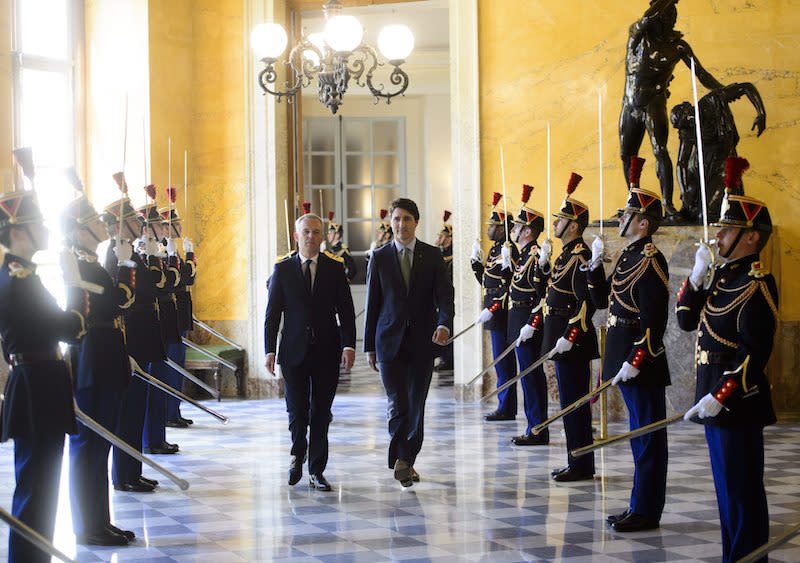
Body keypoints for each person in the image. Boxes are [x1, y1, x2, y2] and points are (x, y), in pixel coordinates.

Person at [676, 157, 777, 563]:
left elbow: (756, 350)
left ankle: (750, 558)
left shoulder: (758, 284)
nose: (718, 237)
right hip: (712, 398)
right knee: (725, 492)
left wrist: (722, 393)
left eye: (728, 229)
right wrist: (697, 275)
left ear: (751, 237)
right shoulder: (721, 276)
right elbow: (685, 320)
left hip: (735, 402)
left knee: (741, 492)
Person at [0, 189, 88, 562]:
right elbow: (62, 326)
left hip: (39, 383)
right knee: (37, 488)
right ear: (19, 231)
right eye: (39, 225)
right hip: (36, 386)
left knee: (40, 487)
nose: (47, 232)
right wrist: (76, 297)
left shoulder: (22, 277)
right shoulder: (19, 280)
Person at [587, 156, 670, 532]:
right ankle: (639, 504)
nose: (619, 219)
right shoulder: (627, 256)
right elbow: (605, 300)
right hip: (624, 357)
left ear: (643, 222)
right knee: (638, 437)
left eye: (626, 214)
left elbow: (655, 318)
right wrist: (593, 268)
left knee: (647, 436)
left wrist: (638, 357)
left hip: (642, 360)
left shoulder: (652, 259)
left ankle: (647, 510)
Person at [62, 191, 137, 546]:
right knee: (88, 445)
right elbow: (118, 301)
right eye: (93, 221)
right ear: (79, 231)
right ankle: (87, 526)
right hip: (92, 357)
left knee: (101, 445)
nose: (101, 225)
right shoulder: (80, 265)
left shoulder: (91, 261)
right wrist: (124, 266)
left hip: (107, 354)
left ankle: (99, 521)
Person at [364, 198, 454, 487]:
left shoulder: (432, 255)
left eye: (407, 219)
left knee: (416, 404)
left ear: (416, 222)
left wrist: (443, 323)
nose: (401, 224)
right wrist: (368, 347)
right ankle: (403, 458)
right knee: (397, 403)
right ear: (391, 222)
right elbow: (372, 304)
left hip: (421, 342)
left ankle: (406, 459)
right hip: (388, 341)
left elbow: (444, 297)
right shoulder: (379, 257)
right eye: (397, 219)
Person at [265, 207, 356, 491]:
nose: (311, 237)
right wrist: (269, 350)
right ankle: (297, 455)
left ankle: (317, 470)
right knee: (296, 410)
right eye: (306, 232)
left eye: (316, 232)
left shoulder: (334, 267)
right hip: (292, 351)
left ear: (322, 237)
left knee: (321, 412)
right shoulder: (282, 269)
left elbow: (347, 311)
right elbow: (272, 314)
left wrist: (349, 344)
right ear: (296, 236)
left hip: (327, 351)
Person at [619, 0, 724, 216]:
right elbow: (645, 19)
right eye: (665, 16)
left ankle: (667, 204)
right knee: (627, 154)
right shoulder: (638, 36)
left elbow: (702, 75)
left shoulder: (678, 47)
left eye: (671, 17)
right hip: (630, 103)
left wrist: (724, 90)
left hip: (653, 101)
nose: (668, 21)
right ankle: (633, 200)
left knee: (660, 150)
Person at [537, 173, 598, 482]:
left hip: (572, 342)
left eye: (560, 220)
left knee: (575, 404)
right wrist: (545, 265)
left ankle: (582, 464)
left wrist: (569, 337)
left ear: (573, 225)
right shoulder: (564, 256)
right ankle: (576, 460)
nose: (555, 224)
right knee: (568, 402)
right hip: (561, 339)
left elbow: (584, 303)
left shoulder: (580, 256)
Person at [105, 189, 163, 492]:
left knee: (136, 409)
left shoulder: (131, 250)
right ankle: (123, 474)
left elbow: (151, 286)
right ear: (120, 223)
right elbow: (123, 298)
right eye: (132, 219)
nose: (138, 222)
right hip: (129, 339)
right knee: (127, 412)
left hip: (141, 338)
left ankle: (133, 470)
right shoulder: (115, 252)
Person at [670, 82, 766, 222]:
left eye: (690, 117)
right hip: (699, 169)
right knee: (691, 211)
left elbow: (746, 87)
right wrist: (684, 191)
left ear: (690, 108)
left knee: (708, 214)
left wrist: (761, 114)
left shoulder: (713, 100)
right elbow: (681, 162)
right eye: (687, 123)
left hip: (722, 165)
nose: (691, 122)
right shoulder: (687, 129)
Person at [471, 193, 519, 421]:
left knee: (504, 362)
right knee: (499, 361)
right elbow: (488, 282)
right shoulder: (494, 250)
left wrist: (494, 307)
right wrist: (476, 267)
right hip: (491, 309)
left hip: (501, 312)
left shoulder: (509, 249)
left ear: (502, 228)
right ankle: (504, 404)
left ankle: (507, 407)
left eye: (493, 225)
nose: (489, 228)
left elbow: (510, 284)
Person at [140, 200, 182, 455]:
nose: (165, 229)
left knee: (160, 384)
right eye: (159, 225)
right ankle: (151, 439)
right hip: (148, 328)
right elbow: (160, 285)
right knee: (153, 387)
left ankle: (158, 438)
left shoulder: (156, 252)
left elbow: (176, 280)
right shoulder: (144, 254)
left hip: (161, 322)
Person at [508, 185, 549, 446]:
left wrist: (532, 324)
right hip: (519, 324)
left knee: (532, 379)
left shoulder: (534, 256)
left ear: (528, 231)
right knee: (527, 378)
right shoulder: (523, 256)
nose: (513, 230)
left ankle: (537, 429)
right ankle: (533, 425)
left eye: (517, 226)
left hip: (528, 327)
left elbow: (540, 296)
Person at [159, 205, 197, 429]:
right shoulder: (163, 252)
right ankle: (168, 412)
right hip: (171, 317)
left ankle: (174, 410)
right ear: (164, 228)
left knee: (178, 367)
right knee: (171, 367)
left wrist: (189, 258)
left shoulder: (174, 250)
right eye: (175, 224)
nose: (180, 227)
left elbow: (189, 280)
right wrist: (190, 258)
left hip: (180, 315)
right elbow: (180, 279)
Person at [434, 210, 454, 373]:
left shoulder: (452, 257)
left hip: (449, 298)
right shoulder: (439, 255)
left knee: (448, 327)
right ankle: (443, 357)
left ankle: (448, 359)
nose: (439, 239)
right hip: (438, 298)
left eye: (442, 237)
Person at [324, 211, 357, 282]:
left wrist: (345, 281)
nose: (328, 235)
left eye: (331, 233)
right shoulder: (330, 249)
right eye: (328, 233)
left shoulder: (343, 250)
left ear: (337, 235)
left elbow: (353, 269)